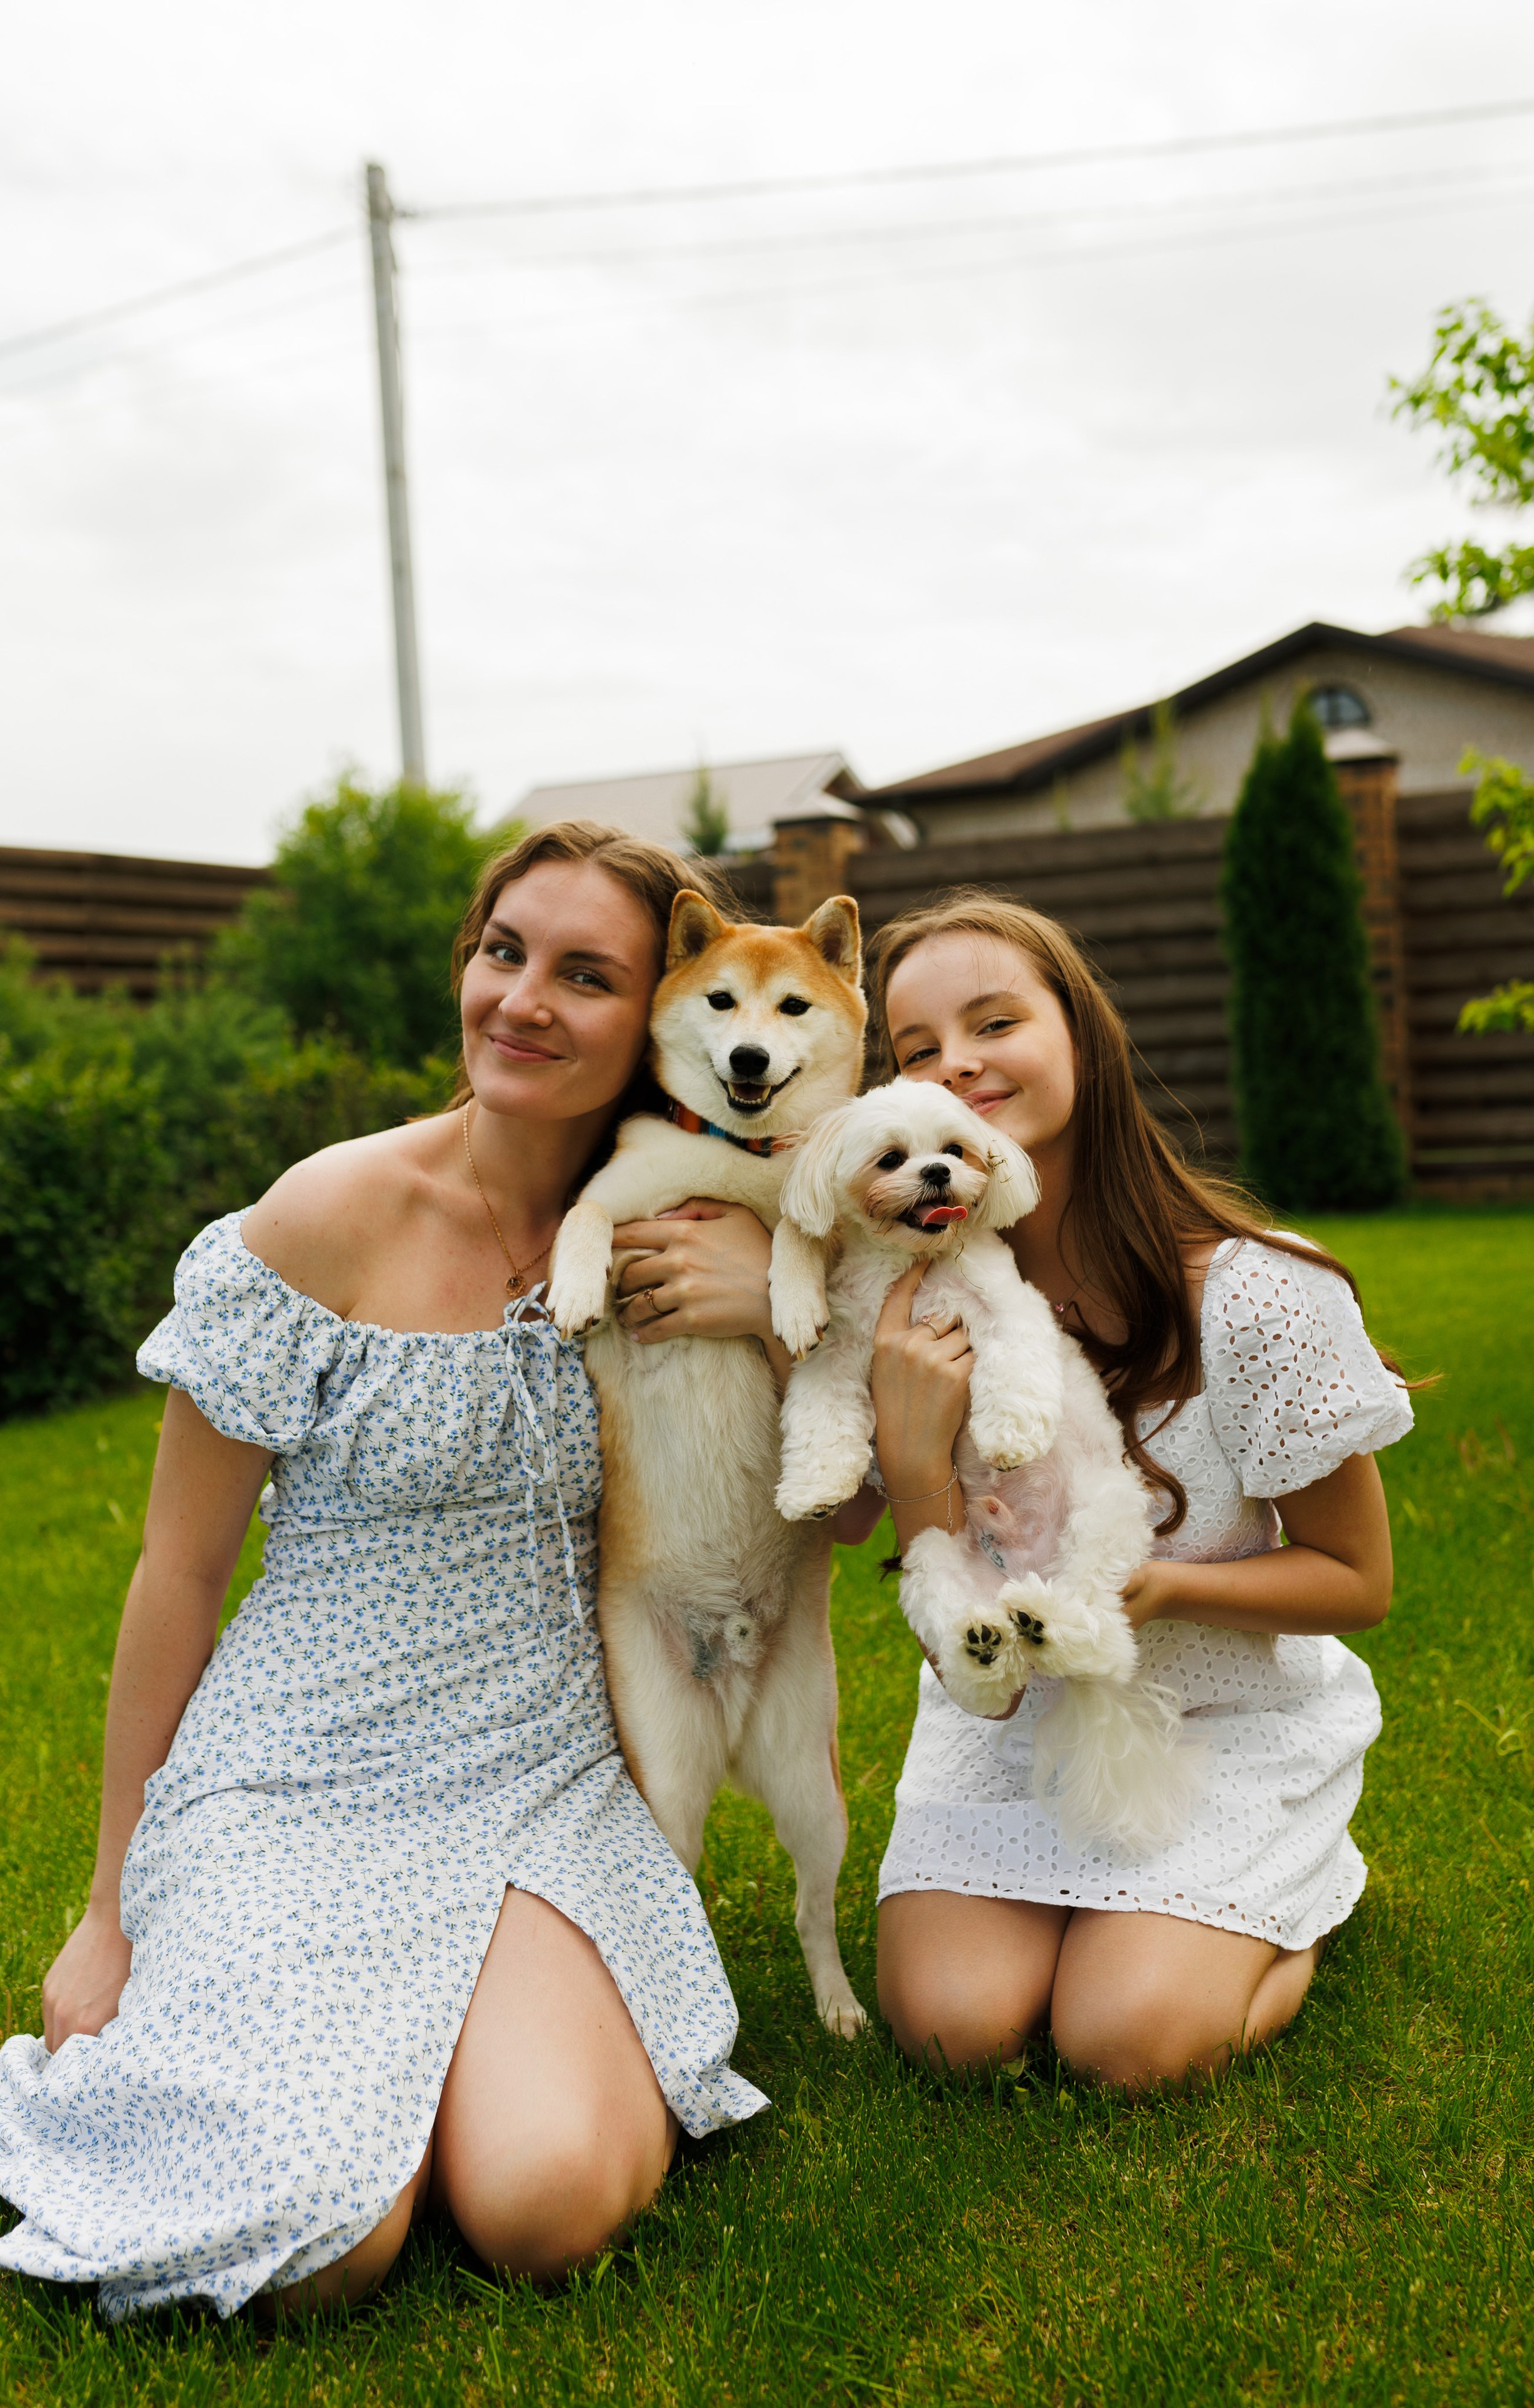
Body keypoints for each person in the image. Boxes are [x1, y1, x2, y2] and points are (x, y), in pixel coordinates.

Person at [0, 821, 793, 2321]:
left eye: (584, 974)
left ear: (665, 1008)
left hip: (540, 1771)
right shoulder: (321, 1219)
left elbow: (848, 1512)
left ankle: (440, 2082)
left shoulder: (694, 1235)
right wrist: (106, 1906)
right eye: (502, 953)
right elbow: (178, 1574)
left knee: (551, 2203)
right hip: (300, 1765)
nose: (522, 1001)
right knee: (316, 2252)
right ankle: (350, 2097)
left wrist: (773, 1306)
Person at [858, 894, 1414, 2091]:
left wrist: (1154, 1590)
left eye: (994, 1021)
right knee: (957, 2028)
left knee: (1126, 2041)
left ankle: (1298, 1894)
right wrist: (914, 1479)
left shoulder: (1254, 1294)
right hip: (1004, 1732)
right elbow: (955, 1616)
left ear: (1081, 1036)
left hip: (1217, 1726)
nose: (956, 1062)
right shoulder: (919, 1314)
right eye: (915, 1050)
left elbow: (1358, 1580)